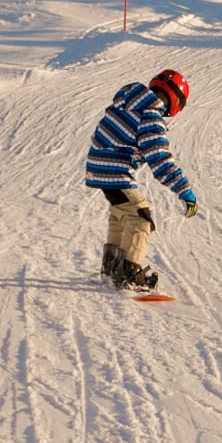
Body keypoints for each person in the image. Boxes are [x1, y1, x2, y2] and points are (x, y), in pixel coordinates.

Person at [85, 68, 198, 290]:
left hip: (97, 166)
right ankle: (128, 273)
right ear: (177, 103)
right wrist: (185, 192)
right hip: (115, 171)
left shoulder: (128, 99)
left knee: (120, 213)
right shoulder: (150, 117)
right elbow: (160, 161)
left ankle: (110, 267)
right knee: (140, 217)